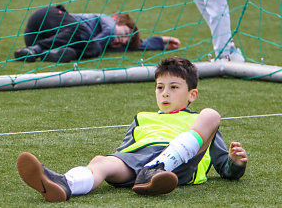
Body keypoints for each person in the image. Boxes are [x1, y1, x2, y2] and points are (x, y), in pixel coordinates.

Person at [17, 56, 248, 202]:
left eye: (174, 87)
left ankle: (157, 169)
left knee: (212, 115)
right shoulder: (142, 117)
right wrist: (114, 163)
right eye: (160, 87)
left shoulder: (199, 120)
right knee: (102, 161)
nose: (165, 93)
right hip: (139, 163)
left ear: (192, 95)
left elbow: (223, 168)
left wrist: (235, 164)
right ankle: (65, 184)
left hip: (179, 165)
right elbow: (125, 150)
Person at [14, 6, 180, 63]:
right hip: (46, 17)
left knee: (89, 47)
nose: (118, 40)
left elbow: (134, 46)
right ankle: (36, 50)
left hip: (43, 38)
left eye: (123, 42)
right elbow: (107, 33)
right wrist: (93, 46)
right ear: (116, 19)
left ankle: (44, 53)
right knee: (85, 37)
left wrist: (160, 41)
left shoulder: (104, 43)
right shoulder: (106, 20)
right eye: (122, 34)